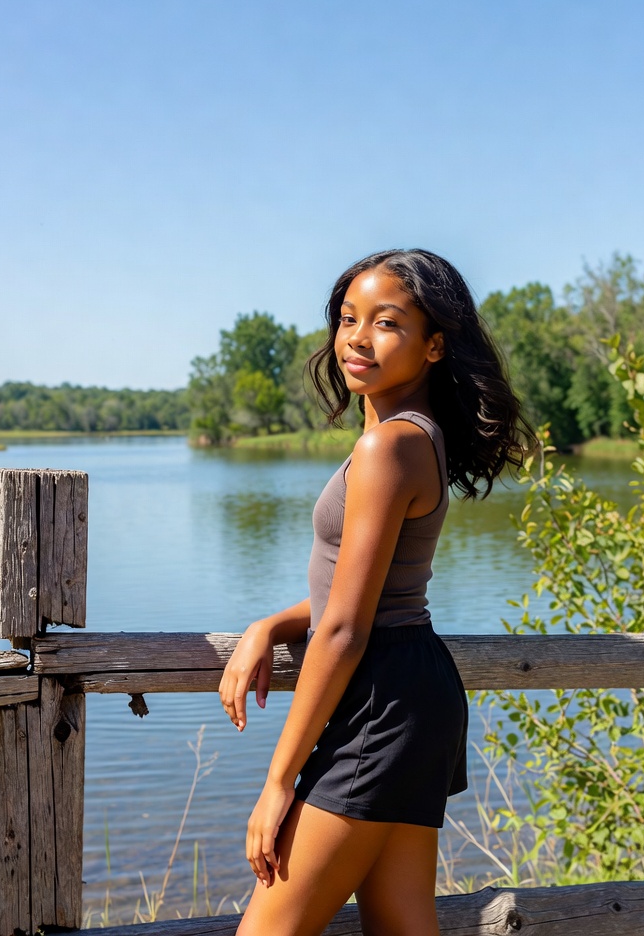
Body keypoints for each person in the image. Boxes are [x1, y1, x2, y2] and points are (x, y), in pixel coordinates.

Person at [218, 249, 534, 936]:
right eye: (348, 317)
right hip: (412, 692)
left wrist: (278, 783)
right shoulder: (411, 437)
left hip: (381, 705)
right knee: (400, 925)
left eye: (386, 322)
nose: (357, 337)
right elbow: (367, 591)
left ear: (434, 346)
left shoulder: (389, 446)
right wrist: (272, 623)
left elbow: (345, 628)